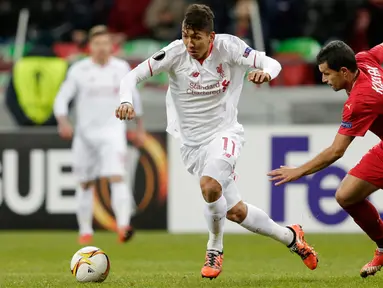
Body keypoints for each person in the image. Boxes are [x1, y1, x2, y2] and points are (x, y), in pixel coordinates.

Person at [115, 4, 318, 279]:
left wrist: (267, 73)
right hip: (191, 145)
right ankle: (292, 237)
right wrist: (126, 100)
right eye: (186, 35)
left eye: (196, 37)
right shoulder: (174, 53)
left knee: (210, 187)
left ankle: (214, 248)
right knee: (235, 211)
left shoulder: (229, 48)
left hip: (224, 134)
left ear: (211, 37)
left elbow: (272, 62)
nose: (189, 43)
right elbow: (132, 75)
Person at [268, 40, 383, 278]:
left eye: (326, 74)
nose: (323, 80)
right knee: (346, 195)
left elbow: (336, 151)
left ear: (344, 72)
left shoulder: (361, 101)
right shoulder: (363, 59)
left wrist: (299, 171)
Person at [54, 25, 145, 245]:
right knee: (85, 183)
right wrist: (63, 121)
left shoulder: (121, 68)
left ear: (111, 46)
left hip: (113, 133)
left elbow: (134, 98)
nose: (102, 48)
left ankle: (123, 226)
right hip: (85, 136)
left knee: (117, 176)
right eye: (97, 44)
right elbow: (61, 98)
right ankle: (85, 230)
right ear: (90, 47)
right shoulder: (78, 70)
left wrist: (139, 127)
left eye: (106, 43)